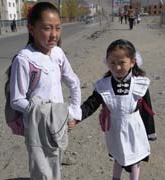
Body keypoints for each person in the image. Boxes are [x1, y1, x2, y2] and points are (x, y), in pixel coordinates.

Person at [9, 2, 81, 180]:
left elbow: (74, 82)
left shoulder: (57, 53)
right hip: (36, 127)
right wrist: (46, 114)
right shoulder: (25, 59)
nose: (54, 34)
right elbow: (16, 100)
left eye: (58, 28)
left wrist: (72, 112)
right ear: (31, 29)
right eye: (47, 28)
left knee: (56, 163)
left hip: (59, 124)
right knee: (41, 171)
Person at [69, 39, 156, 180]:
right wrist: (76, 117)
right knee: (118, 156)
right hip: (115, 128)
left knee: (134, 159)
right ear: (107, 62)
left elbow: (147, 109)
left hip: (134, 128)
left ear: (132, 62)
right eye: (112, 63)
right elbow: (91, 104)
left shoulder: (140, 83)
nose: (117, 67)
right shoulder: (104, 85)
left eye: (122, 62)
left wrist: (150, 132)